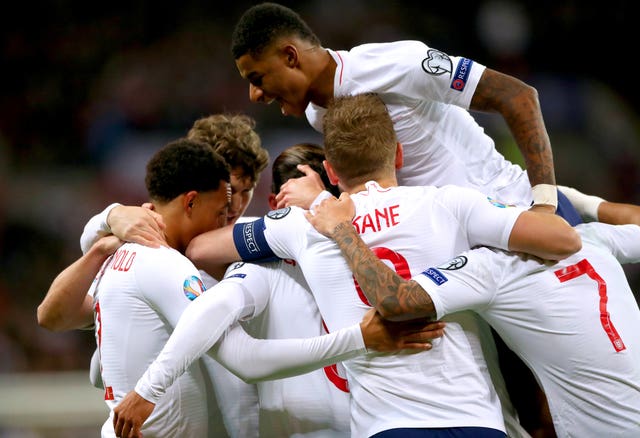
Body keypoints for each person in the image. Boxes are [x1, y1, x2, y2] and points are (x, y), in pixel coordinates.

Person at [184, 93, 582, 437]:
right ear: (398, 154)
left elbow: (200, 248)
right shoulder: (449, 203)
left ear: (333, 173)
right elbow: (563, 239)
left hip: (389, 424)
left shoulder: (302, 224)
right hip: (477, 417)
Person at [307, 195, 640, 438]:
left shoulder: (492, 266)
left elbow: (395, 301)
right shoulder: (593, 239)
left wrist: (341, 228)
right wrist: (579, 200)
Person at [230, 2, 585, 225]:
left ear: (291, 57)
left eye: (257, 78)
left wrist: (545, 203)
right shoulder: (318, 115)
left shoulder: (396, 64)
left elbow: (518, 96)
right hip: (468, 246)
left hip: (519, 213)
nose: (254, 95)